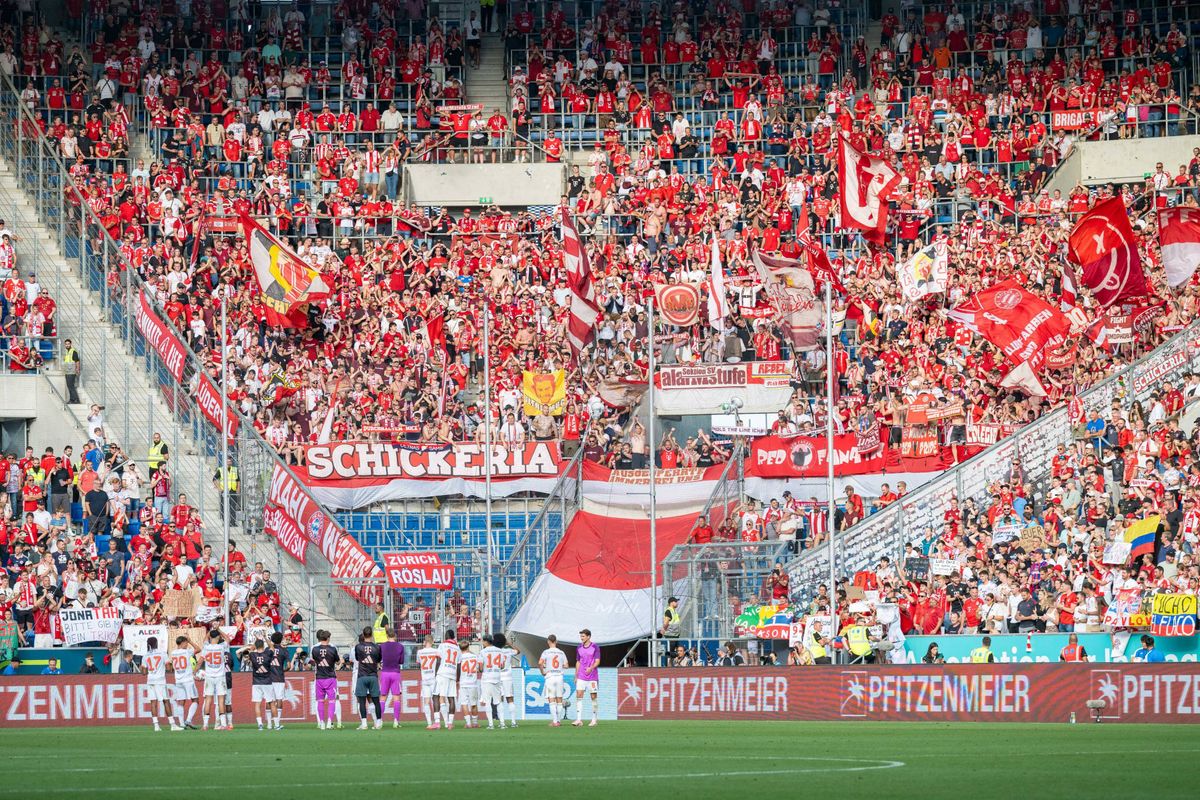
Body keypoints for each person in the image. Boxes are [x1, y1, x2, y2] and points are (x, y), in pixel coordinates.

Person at [196, 629, 231, 730]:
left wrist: (194, 671)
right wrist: (218, 629)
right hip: (220, 676)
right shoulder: (221, 647)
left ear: (210, 637)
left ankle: (205, 725)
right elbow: (227, 639)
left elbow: (200, 661)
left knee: (208, 700)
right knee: (221, 700)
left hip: (209, 676)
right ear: (219, 637)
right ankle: (223, 724)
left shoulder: (206, 647)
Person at [142, 637, 177, 731]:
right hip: (160, 680)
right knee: (166, 701)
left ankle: (156, 726)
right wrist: (168, 665)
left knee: (153, 702)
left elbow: (144, 672)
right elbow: (169, 669)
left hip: (150, 680)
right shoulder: (162, 653)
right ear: (156, 643)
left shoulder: (145, 655)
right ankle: (173, 725)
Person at [353, 626, 383, 730]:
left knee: (362, 701)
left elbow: (357, 658)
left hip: (362, 676)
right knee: (376, 700)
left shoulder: (358, 647)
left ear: (363, 634)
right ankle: (378, 723)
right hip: (373, 676)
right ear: (372, 634)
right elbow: (378, 659)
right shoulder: (377, 647)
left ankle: (364, 723)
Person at [311, 630, 341, 730]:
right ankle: (329, 722)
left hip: (319, 678)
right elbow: (338, 662)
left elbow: (314, 661)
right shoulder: (333, 649)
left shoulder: (314, 649)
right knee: (332, 701)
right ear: (328, 638)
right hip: (330, 678)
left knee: (320, 701)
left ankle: (321, 723)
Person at [242, 638, 274, 730]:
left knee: (257, 704)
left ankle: (260, 724)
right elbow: (271, 646)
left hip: (256, 682)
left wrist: (255, 642)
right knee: (270, 702)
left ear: (256, 646)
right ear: (263, 646)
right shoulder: (267, 653)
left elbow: (251, 649)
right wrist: (266, 638)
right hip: (267, 681)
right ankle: (270, 724)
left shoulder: (252, 655)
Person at [480, 633, 509, 730]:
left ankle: (491, 724)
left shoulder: (483, 652)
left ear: (486, 641)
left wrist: (481, 669)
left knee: (488, 702)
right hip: (497, 677)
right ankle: (502, 723)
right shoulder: (500, 651)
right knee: (498, 701)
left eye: (483, 641)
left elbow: (480, 668)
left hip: (487, 678)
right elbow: (502, 666)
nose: (482, 643)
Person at [538, 634, 568, 727]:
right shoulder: (561, 652)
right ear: (556, 641)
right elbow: (566, 665)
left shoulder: (546, 652)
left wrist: (543, 672)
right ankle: (558, 721)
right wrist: (560, 666)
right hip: (559, 677)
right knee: (559, 699)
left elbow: (540, 663)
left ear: (548, 641)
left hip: (550, 676)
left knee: (551, 699)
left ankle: (555, 721)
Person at [433, 628, 460, 729]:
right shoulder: (457, 648)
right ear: (453, 637)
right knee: (451, 698)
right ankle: (450, 723)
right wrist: (457, 678)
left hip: (442, 673)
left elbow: (438, 661)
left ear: (446, 636)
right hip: (452, 673)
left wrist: (436, 673)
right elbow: (459, 665)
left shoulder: (442, 645)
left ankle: (437, 722)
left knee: (436, 696)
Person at [169, 635, 198, 729]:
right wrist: (191, 641)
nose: (187, 644)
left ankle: (181, 723)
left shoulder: (173, 653)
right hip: (188, 680)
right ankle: (188, 720)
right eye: (186, 643)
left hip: (178, 680)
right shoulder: (187, 652)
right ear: (182, 643)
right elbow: (198, 649)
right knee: (195, 700)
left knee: (181, 701)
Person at [573, 628, 600, 727]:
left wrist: (591, 668)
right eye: (581, 636)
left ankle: (594, 719)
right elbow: (578, 662)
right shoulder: (579, 647)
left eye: (583, 636)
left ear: (588, 637)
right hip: (581, 676)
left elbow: (597, 661)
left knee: (593, 697)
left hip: (592, 676)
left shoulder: (595, 647)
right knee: (579, 696)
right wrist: (576, 675)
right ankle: (579, 720)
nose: (581, 638)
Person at [379, 627, 405, 728]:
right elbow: (401, 661)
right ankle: (396, 721)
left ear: (387, 635)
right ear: (395, 635)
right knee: (396, 697)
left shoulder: (382, 646)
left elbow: (379, 659)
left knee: (383, 697)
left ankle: (379, 721)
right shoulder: (400, 646)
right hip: (395, 673)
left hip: (385, 672)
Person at [457, 639, 482, 728]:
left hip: (463, 683)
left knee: (464, 703)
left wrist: (457, 680)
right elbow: (479, 669)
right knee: (474, 704)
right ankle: (475, 723)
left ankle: (468, 723)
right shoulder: (475, 657)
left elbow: (458, 669)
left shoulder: (459, 657)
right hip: (473, 683)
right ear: (468, 647)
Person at [268, 631, 288, 730]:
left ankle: (269, 724)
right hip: (279, 677)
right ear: (281, 640)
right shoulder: (284, 650)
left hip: (269, 678)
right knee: (279, 699)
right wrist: (283, 670)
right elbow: (289, 665)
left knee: (269, 700)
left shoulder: (268, 649)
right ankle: (277, 722)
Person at [62, 339, 80, 404]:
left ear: (70, 344)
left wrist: (77, 369)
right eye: (66, 344)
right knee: (69, 386)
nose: (67, 345)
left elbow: (77, 361)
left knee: (71, 386)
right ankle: (72, 399)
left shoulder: (73, 352)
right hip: (67, 371)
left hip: (72, 371)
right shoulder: (67, 352)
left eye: (68, 344)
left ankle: (75, 399)